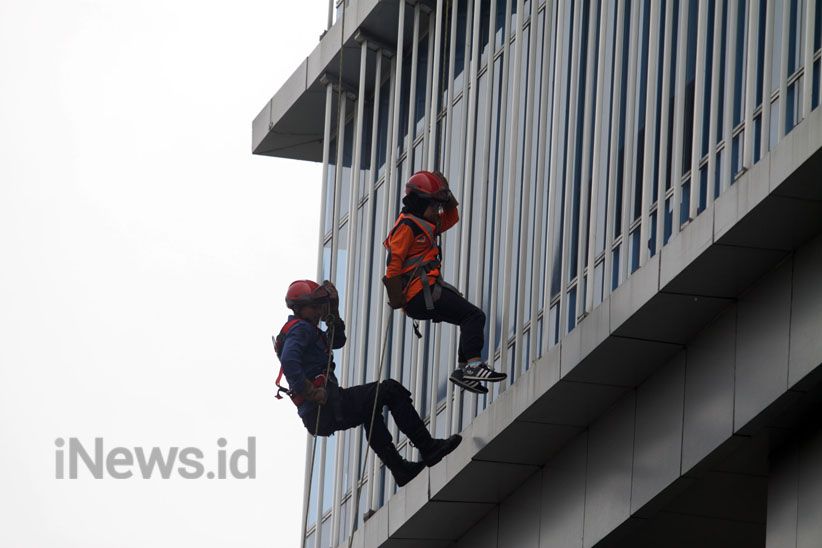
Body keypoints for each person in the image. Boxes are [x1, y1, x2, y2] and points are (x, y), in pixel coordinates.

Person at [274, 279, 461, 487]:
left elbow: (336, 341)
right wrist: (312, 392)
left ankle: (400, 470)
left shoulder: (307, 330)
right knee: (390, 390)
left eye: (320, 306)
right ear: (299, 308)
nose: (318, 311)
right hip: (324, 407)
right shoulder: (301, 329)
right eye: (314, 307)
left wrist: (333, 314)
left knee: (369, 410)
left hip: (321, 411)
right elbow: (289, 362)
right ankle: (428, 448)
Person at [382, 171, 507, 394]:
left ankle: (464, 369)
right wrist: (396, 298)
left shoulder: (424, 222)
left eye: (438, 206)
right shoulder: (407, 227)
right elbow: (393, 265)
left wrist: (447, 197)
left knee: (466, 317)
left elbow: (452, 217)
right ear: (419, 203)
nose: (437, 210)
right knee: (474, 316)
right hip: (420, 294)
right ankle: (473, 366)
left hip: (425, 293)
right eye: (433, 205)